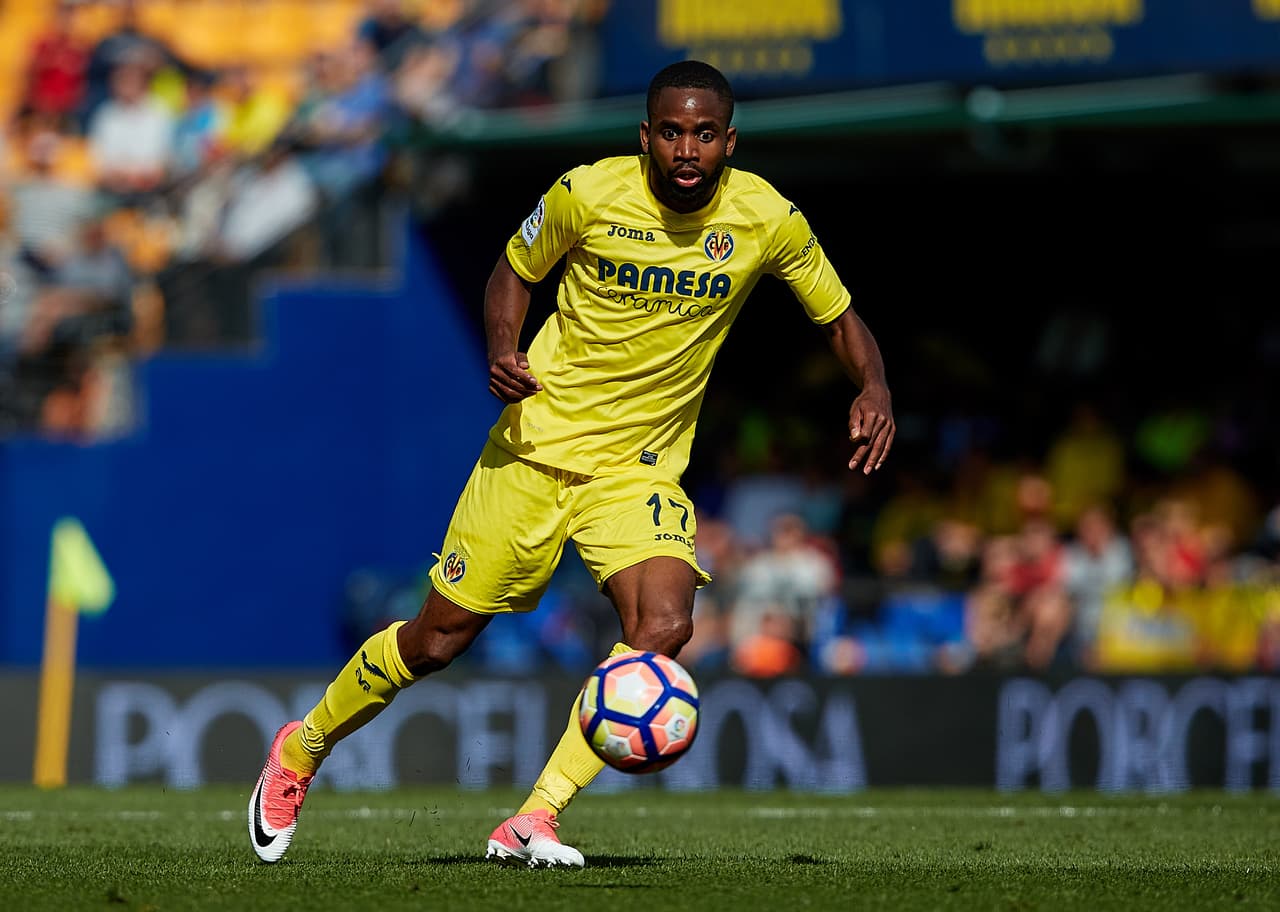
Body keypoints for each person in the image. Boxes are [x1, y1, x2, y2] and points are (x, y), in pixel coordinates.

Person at [248, 59, 895, 868]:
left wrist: (873, 385)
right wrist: (502, 345)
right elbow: (513, 272)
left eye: (702, 133)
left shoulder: (767, 218)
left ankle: (535, 815)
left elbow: (838, 315)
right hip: (535, 452)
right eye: (670, 131)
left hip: (640, 469)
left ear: (729, 141)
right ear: (645, 136)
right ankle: (302, 749)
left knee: (664, 624)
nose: (686, 148)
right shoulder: (588, 193)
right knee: (439, 639)